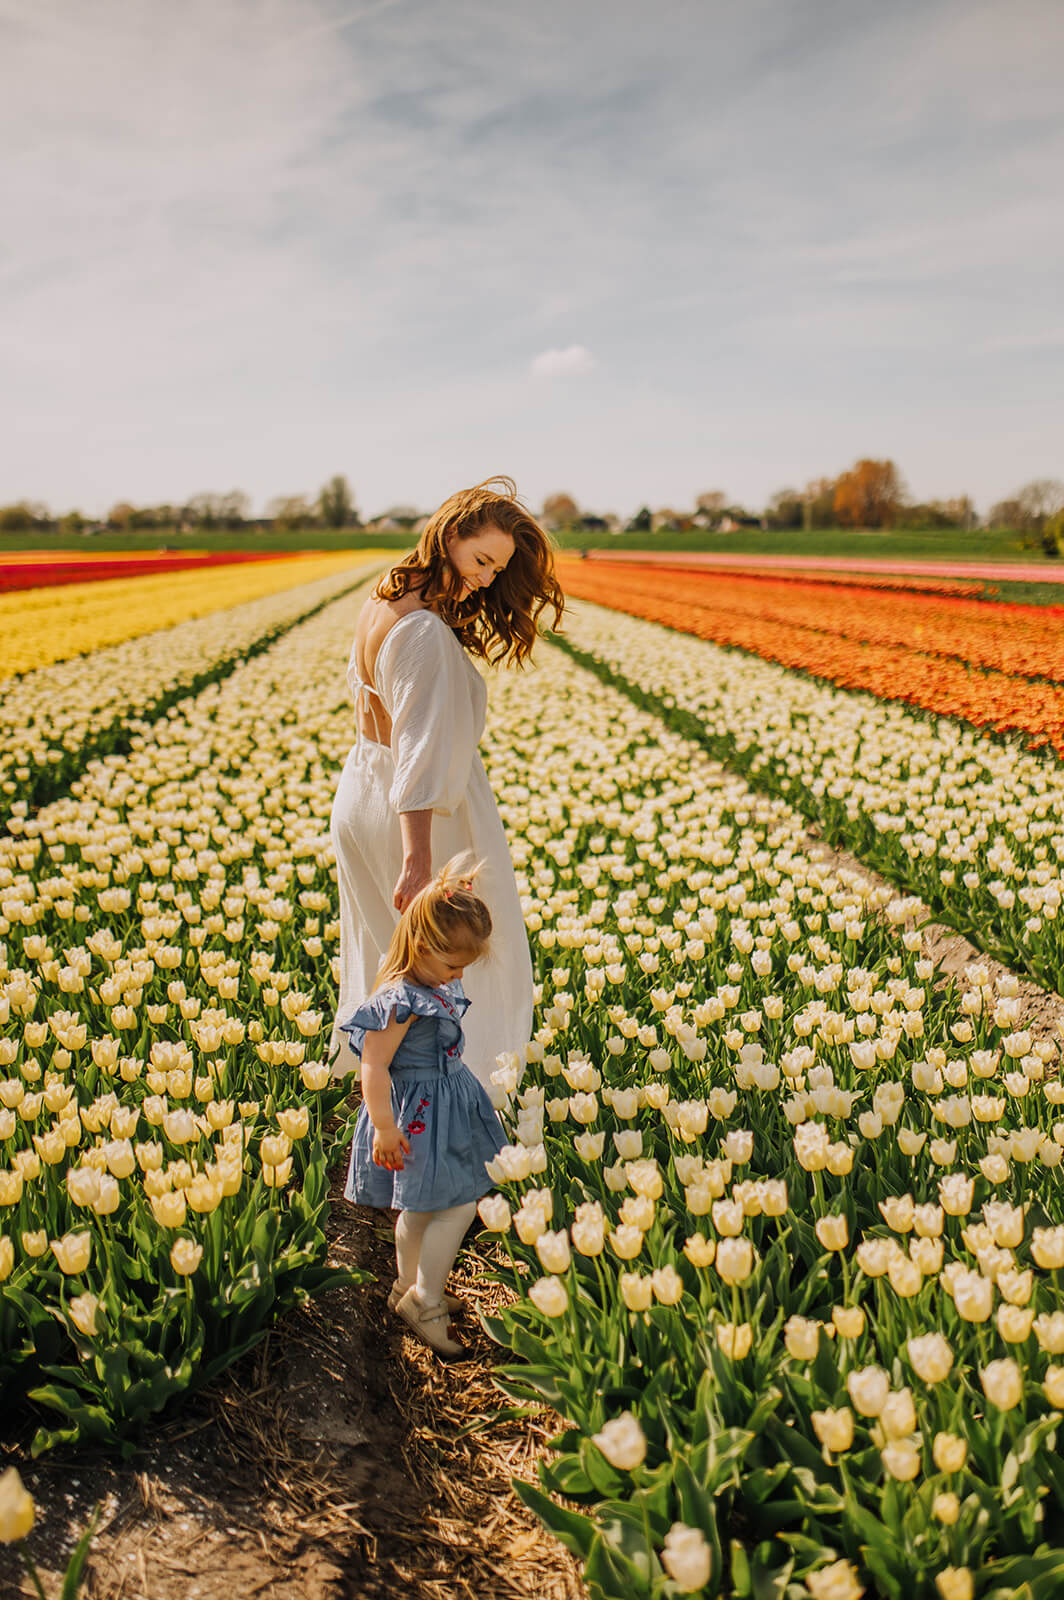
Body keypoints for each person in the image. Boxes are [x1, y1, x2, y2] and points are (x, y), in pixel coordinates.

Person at [329, 476, 564, 1088]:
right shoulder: (424, 633)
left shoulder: (388, 597)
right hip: (421, 814)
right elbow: (421, 751)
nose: (487, 578)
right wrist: (419, 861)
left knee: (394, 965)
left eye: (498, 568)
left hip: (362, 789)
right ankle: (459, 1110)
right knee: (469, 964)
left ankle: (389, 1102)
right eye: (482, 559)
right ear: (450, 534)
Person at [339, 859, 505, 1359]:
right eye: (454, 965)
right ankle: (425, 1301)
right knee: (455, 1206)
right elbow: (373, 1066)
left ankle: (405, 1287)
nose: (458, 976)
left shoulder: (431, 984)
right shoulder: (398, 1002)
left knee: (419, 1206)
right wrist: (384, 1128)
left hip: (444, 1107)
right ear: (424, 946)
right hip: (417, 1118)